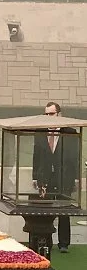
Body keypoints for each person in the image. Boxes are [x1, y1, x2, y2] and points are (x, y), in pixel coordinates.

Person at [32, 102, 79, 253]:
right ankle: (47, 242)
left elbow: (75, 157)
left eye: (51, 114)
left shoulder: (70, 132)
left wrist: (76, 178)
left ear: (59, 114)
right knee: (46, 211)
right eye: (46, 114)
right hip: (45, 178)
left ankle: (64, 243)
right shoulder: (40, 133)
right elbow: (36, 156)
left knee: (64, 212)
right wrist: (35, 177)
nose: (48, 117)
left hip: (64, 178)